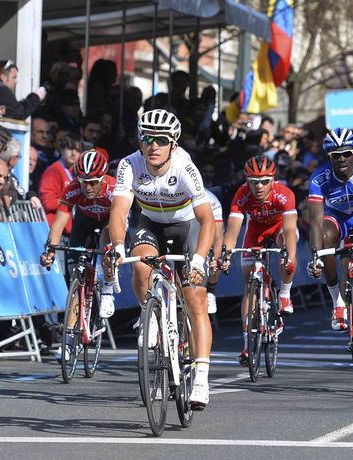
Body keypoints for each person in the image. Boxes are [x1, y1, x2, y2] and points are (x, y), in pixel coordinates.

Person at [106, 109, 215, 409]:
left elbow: (207, 220)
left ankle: (202, 378)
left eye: (162, 140)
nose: (153, 146)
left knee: (195, 301)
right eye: (147, 138)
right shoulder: (129, 165)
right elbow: (119, 211)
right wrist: (117, 246)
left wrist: (199, 261)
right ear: (140, 141)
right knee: (141, 264)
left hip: (186, 226)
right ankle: (150, 315)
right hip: (149, 223)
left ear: (174, 144)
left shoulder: (185, 167)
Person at [220, 156, 297, 365]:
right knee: (249, 284)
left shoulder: (284, 194)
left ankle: (284, 294)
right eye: (254, 182)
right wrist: (225, 254)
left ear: (273, 179)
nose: (259, 186)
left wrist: (289, 253)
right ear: (247, 181)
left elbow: (290, 229)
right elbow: (233, 228)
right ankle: (246, 344)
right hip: (255, 230)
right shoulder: (242, 194)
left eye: (264, 181)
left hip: (280, 227)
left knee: (286, 248)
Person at [39, 149, 116, 358]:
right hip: (85, 221)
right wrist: (50, 249)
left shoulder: (113, 188)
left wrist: (114, 249)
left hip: (110, 220)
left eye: (93, 182)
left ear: (102, 178)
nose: (88, 187)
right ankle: (69, 342)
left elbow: (120, 220)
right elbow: (60, 221)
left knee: (106, 241)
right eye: (83, 181)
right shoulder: (73, 188)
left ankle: (108, 287)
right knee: (76, 274)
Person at [307, 128, 353, 331]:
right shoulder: (319, 178)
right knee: (323, 236)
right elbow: (315, 219)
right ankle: (338, 303)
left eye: (346, 154)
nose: (341, 160)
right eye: (336, 156)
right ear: (329, 158)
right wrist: (316, 255)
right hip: (336, 218)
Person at [39, 133, 83, 236]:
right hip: (56, 231)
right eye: (70, 148)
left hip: (71, 230)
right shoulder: (53, 171)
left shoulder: (77, 173)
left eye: (77, 150)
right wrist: (71, 199)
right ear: (62, 149)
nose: (73, 153)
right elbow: (48, 203)